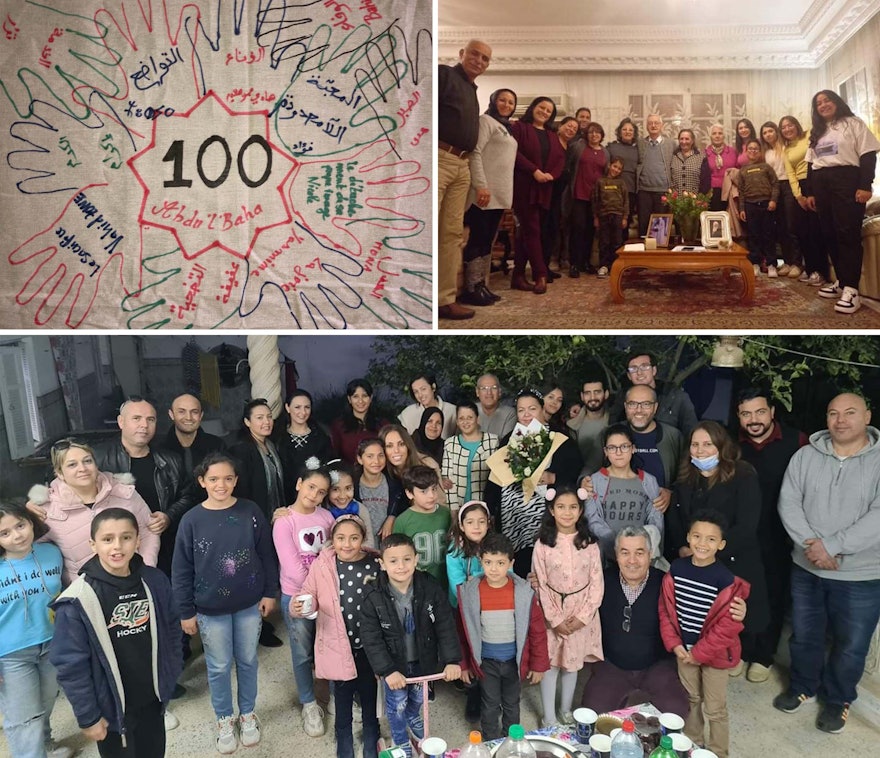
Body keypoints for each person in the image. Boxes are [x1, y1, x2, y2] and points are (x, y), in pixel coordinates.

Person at [775, 392, 880, 734]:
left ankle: (838, 699)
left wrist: (832, 546)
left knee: (851, 644)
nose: (840, 420)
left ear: (867, 415)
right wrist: (813, 547)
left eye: (849, 412)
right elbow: (789, 502)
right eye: (833, 413)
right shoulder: (806, 456)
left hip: (862, 574)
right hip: (807, 566)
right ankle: (803, 685)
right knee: (805, 634)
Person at [51, 508, 182, 758]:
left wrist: (170, 674)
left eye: (126, 537)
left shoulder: (155, 581)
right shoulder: (77, 600)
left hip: (152, 700)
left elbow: (172, 630)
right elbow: (70, 665)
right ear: (93, 543)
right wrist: (88, 716)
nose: (117, 546)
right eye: (107, 539)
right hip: (110, 709)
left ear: (138, 540)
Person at [172, 453, 279, 754]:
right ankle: (224, 718)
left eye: (228, 478)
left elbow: (267, 555)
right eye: (214, 479)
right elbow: (180, 569)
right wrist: (185, 611)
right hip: (208, 608)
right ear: (202, 481)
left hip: (249, 603)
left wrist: (270, 592)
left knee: (247, 660)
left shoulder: (250, 511)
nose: (222, 485)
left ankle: (247, 714)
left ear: (236, 480)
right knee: (218, 666)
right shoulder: (191, 520)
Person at [666, 422, 769, 669]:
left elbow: (746, 526)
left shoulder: (743, 475)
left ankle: (751, 656)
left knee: (737, 613)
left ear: (721, 446)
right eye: (695, 445)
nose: (700, 451)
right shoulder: (685, 480)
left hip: (734, 558)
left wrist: (710, 551)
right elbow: (676, 520)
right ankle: (717, 653)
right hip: (695, 560)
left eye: (707, 444)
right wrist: (683, 548)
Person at [360, 534, 462, 758]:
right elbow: (371, 637)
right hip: (394, 663)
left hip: (423, 659)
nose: (401, 566)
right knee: (397, 703)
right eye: (393, 561)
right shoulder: (373, 595)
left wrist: (452, 660)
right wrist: (386, 670)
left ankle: (413, 715)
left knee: (418, 697)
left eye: (407, 559)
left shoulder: (429, 587)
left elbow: (445, 623)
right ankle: (399, 738)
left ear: (416, 559)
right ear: (383, 564)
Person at [659, 510, 750, 758]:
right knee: (690, 699)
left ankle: (719, 752)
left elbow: (726, 628)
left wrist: (699, 653)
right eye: (697, 536)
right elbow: (666, 610)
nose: (702, 543)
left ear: (721, 545)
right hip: (683, 651)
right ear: (688, 537)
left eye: (711, 539)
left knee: (715, 707)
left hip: (714, 656)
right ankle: (693, 744)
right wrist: (675, 643)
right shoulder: (676, 570)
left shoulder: (726, 580)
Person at [735, 387, 808, 683]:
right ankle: (740, 650)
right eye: (746, 413)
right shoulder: (733, 444)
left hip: (780, 533)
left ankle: (763, 656)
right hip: (741, 531)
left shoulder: (796, 442)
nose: (753, 419)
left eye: (759, 411)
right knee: (739, 591)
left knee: (774, 593)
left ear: (772, 412)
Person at [294, 515, 381, 758]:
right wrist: (299, 606)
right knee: (342, 694)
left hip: (369, 644)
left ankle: (371, 729)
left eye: (354, 538)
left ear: (363, 540)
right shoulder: (323, 565)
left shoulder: (376, 562)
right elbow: (306, 593)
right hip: (337, 643)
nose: (347, 544)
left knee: (369, 690)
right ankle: (343, 734)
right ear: (332, 540)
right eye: (341, 538)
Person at [580, 526, 689, 717]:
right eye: (625, 552)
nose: (632, 560)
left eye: (639, 553)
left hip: (656, 665)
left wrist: (733, 610)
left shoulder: (666, 583)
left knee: (677, 711)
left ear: (650, 554)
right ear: (616, 555)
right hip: (612, 664)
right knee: (591, 715)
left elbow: (698, 609)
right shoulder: (602, 581)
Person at [27, 438, 159, 586]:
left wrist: (146, 572)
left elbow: (149, 531)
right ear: (60, 473)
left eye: (87, 461)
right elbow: (27, 547)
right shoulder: (47, 509)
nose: (82, 468)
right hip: (85, 593)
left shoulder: (123, 492)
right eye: (72, 465)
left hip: (133, 583)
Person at [457, 532, 549, 740]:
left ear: (511, 563)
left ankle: (511, 740)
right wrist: (463, 664)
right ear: (481, 561)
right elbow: (462, 632)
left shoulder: (524, 592)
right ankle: (491, 741)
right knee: (489, 704)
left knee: (511, 702)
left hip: (513, 662)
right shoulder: (470, 592)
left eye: (500, 563)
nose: (494, 568)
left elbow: (537, 631)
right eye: (488, 562)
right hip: (487, 662)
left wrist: (538, 664)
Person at [485, 389, 583, 577]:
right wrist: (490, 510)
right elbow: (494, 481)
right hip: (512, 515)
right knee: (517, 567)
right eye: (521, 410)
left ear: (542, 409)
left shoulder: (559, 438)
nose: (526, 414)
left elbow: (575, 470)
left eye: (532, 408)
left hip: (543, 515)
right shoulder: (509, 439)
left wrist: (553, 478)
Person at [91, 397, 191, 576]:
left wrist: (168, 516)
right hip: (115, 550)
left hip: (162, 547)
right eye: (136, 418)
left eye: (150, 419)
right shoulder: (97, 458)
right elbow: (68, 489)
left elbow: (189, 496)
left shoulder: (171, 460)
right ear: (121, 422)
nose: (144, 425)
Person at [0, 503, 69, 758]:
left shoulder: (51, 553)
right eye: (4, 533)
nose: (17, 535)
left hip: (52, 643)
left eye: (20, 525)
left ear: (31, 522)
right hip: (11, 654)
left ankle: (44, 746)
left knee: (46, 701)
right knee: (23, 718)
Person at [532, 487, 603, 727]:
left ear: (581, 510)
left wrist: (583, 617)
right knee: (551, 663)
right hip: (552, 611)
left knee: (572, 664)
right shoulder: (542, 544)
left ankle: (565, 710)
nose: (567, 512)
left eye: (573, 507)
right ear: (551, 510)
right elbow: (540, 583)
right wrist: (554, 619)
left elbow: (596, 583)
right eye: (561, 507)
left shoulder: (590, 544)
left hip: (580, 610)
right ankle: (549, 717)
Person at [272, 464, 334, 738]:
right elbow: (292, 566)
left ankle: (334, 696)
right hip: (297, 595)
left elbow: (332, 555)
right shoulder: (284, 520)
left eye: (321, 492)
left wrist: (326, 590)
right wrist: (316, 589)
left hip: (327, 595)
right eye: (311, 487)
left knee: (330, 645)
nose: (314, 495)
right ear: (299, 484)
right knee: (302, 652)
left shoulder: (327, 517)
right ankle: (309, 703)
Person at [805, 89, 880, 315]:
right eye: (819, 103)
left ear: (836, 102)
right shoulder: (817, 132)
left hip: (846, 180)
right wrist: (810, 192)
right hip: (821, 182)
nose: (823, 105)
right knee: (829, 233)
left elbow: (868, 155)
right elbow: (811, 164)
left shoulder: (854, 123)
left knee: (847, 233)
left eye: (827, 100)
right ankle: (841, 281)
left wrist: (865, 185)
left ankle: (852, 289)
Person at [438, 39, 492, 320]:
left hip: (462, 164)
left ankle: (445, 299)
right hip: (439, 157)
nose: (479, 61)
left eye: (485, 58)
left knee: (451, 234)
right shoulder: (443, 75)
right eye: (474, 54)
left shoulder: (473, 91)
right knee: (428, 230)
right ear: (461, 54)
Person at [228, 399, 286, 648]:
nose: (266, 421)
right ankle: (256, 629)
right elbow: (243, 490)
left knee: (266, 569)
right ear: (247, 422)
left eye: (269, 416)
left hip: (271, 520)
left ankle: (261, 620)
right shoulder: (243, 449)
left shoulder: (270, 446)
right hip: (253, 520)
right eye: (259, 417)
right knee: (253, 573)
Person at [461, 87, 518, 306]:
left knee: (487, 240)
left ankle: (481, 284)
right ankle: (471, 287)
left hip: (499, 194)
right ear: (494, 101)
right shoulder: (485, 121)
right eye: (502, 100)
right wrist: (481, 186)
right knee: (478, 238)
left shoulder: (506, 128)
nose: (507, 104)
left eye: (511, 102)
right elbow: (475, 152)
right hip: (484, 193)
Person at [510, 96, 566, 294]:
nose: (544, 112)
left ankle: (517, 274)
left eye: (549, 110)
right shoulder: (519, 127)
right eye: (542, 107)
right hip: (525, 185)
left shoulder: (551, 134)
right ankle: (540, 274)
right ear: (533, 107)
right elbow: (514, 153)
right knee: (532, 230)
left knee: (527, 232)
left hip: (544, 188)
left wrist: (552, 175)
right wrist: (534, 171)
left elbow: (560, 159)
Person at [586, 424, 663, 563]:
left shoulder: (649, 481)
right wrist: (617, 546)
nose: (618, 452)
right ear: (605, 451)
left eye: (624, 446)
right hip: (605, 559)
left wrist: (640, 550)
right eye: (612, 448)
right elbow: (592, 520)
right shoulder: (594, 481)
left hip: (639, 558)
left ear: (633, 448)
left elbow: (656, 522)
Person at [445, 500, 492, 723]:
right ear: (461, 526)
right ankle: (472, 690)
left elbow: (505, 575)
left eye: (481, 522)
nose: (476, 527)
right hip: (463, 611)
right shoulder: (455, 551)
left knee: (489, 653)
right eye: (470, 522)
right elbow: (457, 586)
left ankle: (489, 693)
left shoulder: (495, 547)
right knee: (468, 647)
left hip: (492, 612)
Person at [779, 114, 828, 286]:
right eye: (783, 127)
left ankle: (820, 271)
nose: (787, 129)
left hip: (815, 180)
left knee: (816, 230)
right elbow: (790, 173)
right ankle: (810, 268)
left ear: (796, 125)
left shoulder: (809, 136)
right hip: (799, 187)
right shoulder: (787, 149)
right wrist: (798, 196)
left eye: (789, 125)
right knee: (802, 232)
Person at [609, 352, 698, 437]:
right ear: (629, 375)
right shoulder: (621, 398)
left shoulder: (675, 396)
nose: (639, 373)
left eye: (644, 367)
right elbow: (613, 431)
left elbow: (691, 432)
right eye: (633, 369)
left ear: (654, 370)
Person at [392, 466, 452, 587]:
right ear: (409, 493)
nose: (431, 495)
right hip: (418, 585)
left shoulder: (445, 513)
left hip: (445, 582)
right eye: (423, 491)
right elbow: (398, 554)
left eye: (434, 489)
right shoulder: (402, 521)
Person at [274, 389, 334, 503]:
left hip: (313, 498)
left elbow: (327, 468)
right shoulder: (277, 436)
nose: (303, 412)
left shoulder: (321, 436)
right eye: (297, 407)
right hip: (283, 497)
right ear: (287, 407)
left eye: (307, 407)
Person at [732, 138, 779, 276]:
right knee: (753, 236)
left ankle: (771, 265)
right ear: (746, 152)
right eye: (750, 149)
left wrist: (773, 200)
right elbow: (740, 191)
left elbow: (775, 184)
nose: (753, 151)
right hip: (749, 205)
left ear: (760, 152)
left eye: (755, 149)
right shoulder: (743, 170)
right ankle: (755, 264)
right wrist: (741, 209)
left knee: (768, 234)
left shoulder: (766, 167)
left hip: (766, 204)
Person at [760, 121, 800, 278]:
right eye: (764, 132)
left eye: (770, 131)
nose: (768, 134)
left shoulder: (786, 147)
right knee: (781, 226)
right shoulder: (766, 152)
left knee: (791, 225)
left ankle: (797, 263)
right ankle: (788, 262)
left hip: (788, 185)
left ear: (776, 132)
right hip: (773, 189)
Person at [442, 401, 499, 511]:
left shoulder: (492, 441)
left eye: (469, 417)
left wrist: (491, 509)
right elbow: (448, 481)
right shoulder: (450, 443)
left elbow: (496, 479)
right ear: (457, 422)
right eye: (461, 418)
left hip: (485, 505)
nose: (465, 422)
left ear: (477, 419)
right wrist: (453, 511)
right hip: (458, 506)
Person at [567, 122, 607, 278]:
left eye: (597, 132)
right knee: (578, 228)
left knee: (591, 230)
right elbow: (569, 165)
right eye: (591, 132)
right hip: (579, 194)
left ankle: (586, 262)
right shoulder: (579, 148)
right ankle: (574, 264)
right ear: (587, 135)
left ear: (601, 135)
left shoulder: (605, 152)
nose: (594, 135)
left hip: (596, 198)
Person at [161, 393, 226, 483]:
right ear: (171, 414)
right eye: (181, 412)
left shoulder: (217, 445)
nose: (188, 417)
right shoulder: (159, 449)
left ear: (201, 415)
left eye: (194, 412)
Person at [355, 437, 404, 545]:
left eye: (380, 456)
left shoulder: (395, 484)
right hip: (361, 546)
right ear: (360, 459)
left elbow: (402, 508)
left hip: (387, 545)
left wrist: (392, 516)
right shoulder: (352, 485)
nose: (376, 461)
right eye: (370, 456)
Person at [330, 379, 390, 464]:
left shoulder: (383, 424)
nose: (360, 401)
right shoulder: (339, 425)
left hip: (379, 473)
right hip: (350, 474)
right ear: (349, 399)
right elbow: (335, 455)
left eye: (364, 396)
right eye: (355, 396)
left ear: (371, 398)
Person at [636, 114, 674, 236]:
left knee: (660, 229)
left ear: (661, 125)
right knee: (643, 226)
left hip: (663, 191)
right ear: (646, 126)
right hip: (644, 191)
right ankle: (643, 253)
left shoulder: (671, 144)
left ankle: (660, 254)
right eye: (650, 123)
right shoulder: (640, 143)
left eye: (656, 123)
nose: (653, 125)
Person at [567, 372, 611, 474]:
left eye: (597, 392)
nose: (592, 397)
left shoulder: (615, 421)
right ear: (582, 396)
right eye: (587, 393)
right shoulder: (572, 426)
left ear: (606, 394)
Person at [592, 156, 629, 277]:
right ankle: (603, 266)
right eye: (614, 166)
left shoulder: (621, 183)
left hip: (618, 215)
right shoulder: (600, 181)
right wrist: (595, 217)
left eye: (619, 168)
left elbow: (625, 200)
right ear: (609, 165)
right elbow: (595, 200)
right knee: (604, 241)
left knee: (617, 241)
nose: (616, 170)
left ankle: (615, 265)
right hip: (603, 215)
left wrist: (625, 217)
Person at [326, 459, 375, 548]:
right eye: (335, 489)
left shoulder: (360, 509)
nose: (342, 496)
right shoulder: (322, 511)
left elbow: (370, 542)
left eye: (348, 488)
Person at [605, 118, 640, 244]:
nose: (627, 132)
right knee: (610, 225)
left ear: (634, 133)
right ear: (619, 132)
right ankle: (609, 259)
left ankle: (621, 256)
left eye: (630, 130)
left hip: (630, 191)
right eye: (624, 129)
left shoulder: (638, 149)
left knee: (624, 225)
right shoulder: (611, 147)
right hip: (612, 191)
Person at [398, 374, 457, 439]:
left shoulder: (452, 411)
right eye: (416, 392)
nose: (420, 395)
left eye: (423, 389)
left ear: (433, 387)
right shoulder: (408, 413)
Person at [700, 124, 738, 211]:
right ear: (710, 136)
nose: (717, 136)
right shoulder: (704, 153)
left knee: (730, 221)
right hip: (712, 193)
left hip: (730, 192)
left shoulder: (732, 152)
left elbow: (737, 172)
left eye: (720, 133)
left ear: (724, 136)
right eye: (714, 133)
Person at [475, 373, 516, 440]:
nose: (489, 393)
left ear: (499, 392)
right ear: (477, 392)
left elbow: (505, 442)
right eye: (484, 388)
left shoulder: (509, 413)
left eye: (494, 388)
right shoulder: (470, 411)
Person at [670, 128, 703, 196]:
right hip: (676, 201)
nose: (684, 141)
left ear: (692, 141)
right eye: (681, 139)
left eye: (687, 139)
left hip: (695, 202)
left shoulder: (701, 157)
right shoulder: (673, 157)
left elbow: (705, 180)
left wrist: (700, 199)